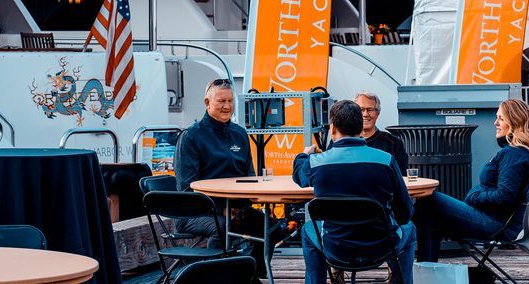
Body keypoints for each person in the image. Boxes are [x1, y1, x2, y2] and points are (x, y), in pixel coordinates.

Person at [293, 99, 416, 284]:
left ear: (332, 127)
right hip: (380, 248)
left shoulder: (317, 162)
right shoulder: (386, 160)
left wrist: (304, 154)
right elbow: (405, 212)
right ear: (360, 128)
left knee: (308, 230)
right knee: (409, 228)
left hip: (336, 250)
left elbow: (299, 175)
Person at [415, 98, 529, 262]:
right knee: (430, 219)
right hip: (498, 220)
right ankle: (427, 271)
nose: (495, 122)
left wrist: (474, 196)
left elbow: (504, 196)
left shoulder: (514, 154)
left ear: (515, 122)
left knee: (429, 200)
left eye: (501, 118)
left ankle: (417, 264)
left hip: (495, 223)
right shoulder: (521, 153)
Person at [173, 78, 272, 275]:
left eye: (230, 101)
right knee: (223, 227)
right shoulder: (191, 137)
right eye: (221, 101)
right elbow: (187, 188)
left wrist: (239, 207)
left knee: (271, 226)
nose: (227, 106)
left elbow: (249, 177)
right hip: (195, 212)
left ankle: (251, 274)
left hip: (234, 208)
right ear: (207, 103)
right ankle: (213, 276)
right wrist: (222, 209)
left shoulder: (240, 134)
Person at [356, 91, 409, 172]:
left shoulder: (394, 144)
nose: (365, 114)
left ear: (378, 113)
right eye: (361, 109)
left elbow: (402, 177)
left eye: (370, 109)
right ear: (354, 113)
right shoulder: (342, 141)